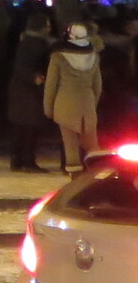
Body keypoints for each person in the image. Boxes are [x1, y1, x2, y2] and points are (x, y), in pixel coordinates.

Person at [45, 21, 104, 174]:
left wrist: (48, 108)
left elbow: (51, 85)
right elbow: (97, 86)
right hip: (87, 102)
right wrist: (92, 103)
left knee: (70, 143)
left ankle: (74, 173)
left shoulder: (58, 57)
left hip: (65, 103)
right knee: (91, 143)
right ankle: (96, 173)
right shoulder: (94, 57)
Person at [9, 9, 53, 172]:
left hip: (21, 89)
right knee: (30, 126)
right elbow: (22, 66)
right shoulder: (36, 44)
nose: (49, 28)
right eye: (47, 25)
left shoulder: (26, 41)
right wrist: (35, 78)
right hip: (29, 90)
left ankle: (17, 159)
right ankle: (27, 160)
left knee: (21, 126)